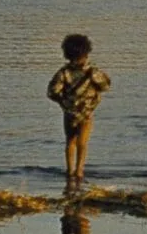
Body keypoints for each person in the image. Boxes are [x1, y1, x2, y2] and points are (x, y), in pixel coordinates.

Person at [46, 33, 111, 186]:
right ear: (87, 52)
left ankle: (69, 171)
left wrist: (64, 102)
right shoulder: (92, 71)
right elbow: (105, 86)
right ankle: (79, 171)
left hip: (69, 112)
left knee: (70, 141)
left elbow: (52, 91)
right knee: (83, 142)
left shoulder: (63, 72)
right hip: (87, 112)